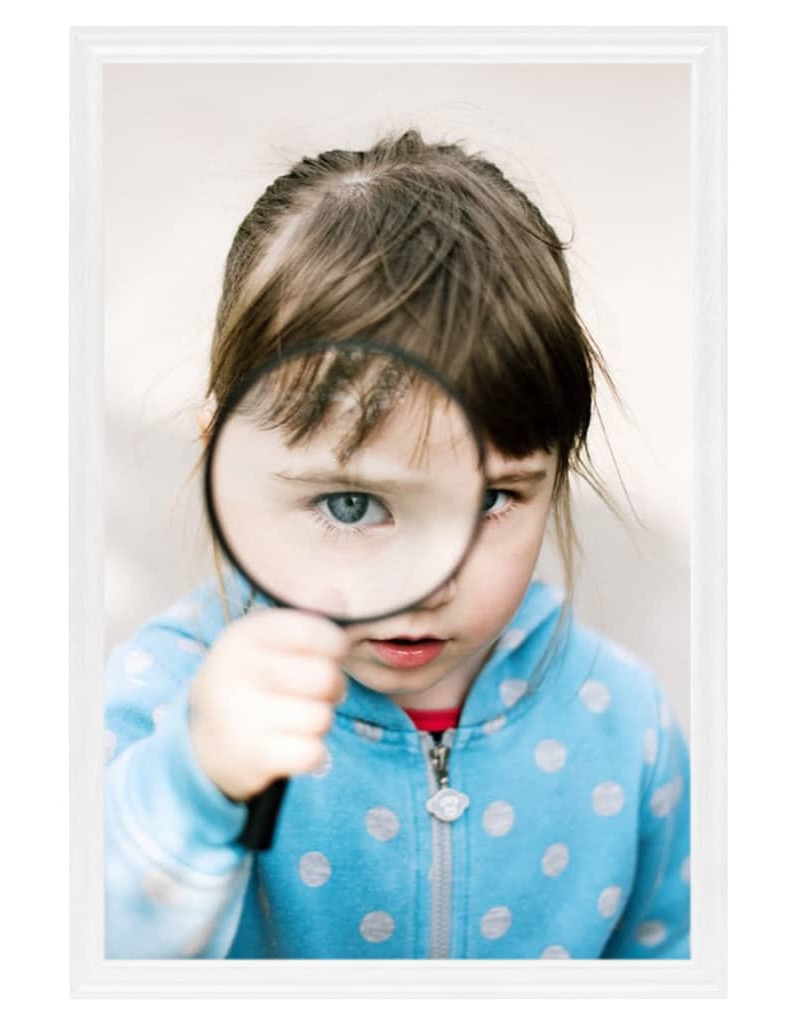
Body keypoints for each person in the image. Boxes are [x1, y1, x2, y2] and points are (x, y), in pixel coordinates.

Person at [104, 129, 691, 959]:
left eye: (490, 500)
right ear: (221, 462)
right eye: (351, 505)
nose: (427, 582)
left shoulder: (623, 720)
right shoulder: (163, 699)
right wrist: (193, 790)